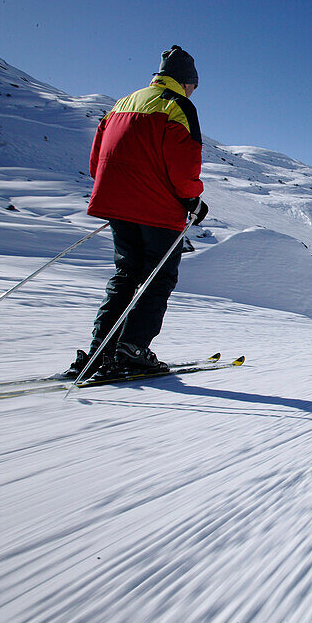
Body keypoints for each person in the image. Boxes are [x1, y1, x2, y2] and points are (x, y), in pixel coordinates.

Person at [65, 45, 209, 378]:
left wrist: (122, 191)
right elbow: (184, 167)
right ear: (186, 82)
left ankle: (101, 349)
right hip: (159, 210)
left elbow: (96, 160)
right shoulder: (178, 107)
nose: (193, 92)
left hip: (116, 204)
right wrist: (193, 201)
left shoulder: (122, 103)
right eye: (194, 86)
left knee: (125, 275)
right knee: (157, 278)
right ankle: (131, 350)